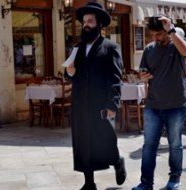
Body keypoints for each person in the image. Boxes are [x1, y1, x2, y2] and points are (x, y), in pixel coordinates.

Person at [64, 2, 126, 190]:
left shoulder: (110, 48)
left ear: (99, 24)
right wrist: (70, 72)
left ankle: (117, 161)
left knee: (105, 138)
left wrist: (112, 104)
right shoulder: (77, 48)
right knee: (83, 142)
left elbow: (116, 79)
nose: (86, 25)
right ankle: (89, 183)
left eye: (90, 21)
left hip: (101, 104)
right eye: (84, 21)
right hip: (80, 104)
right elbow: (70, 74)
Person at [132, 15, 186, 190]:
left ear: (166, 32)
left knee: (175, 145)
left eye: (158, 34)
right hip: (153, 106)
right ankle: (146, 183)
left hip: (176, 104)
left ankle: (174, 179)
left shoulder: (177, 46)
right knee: (149, 145)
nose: (155, 38)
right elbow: (143, 71)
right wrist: (143, 75)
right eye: (152, 34)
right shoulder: (149, 49)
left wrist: (171, 29)